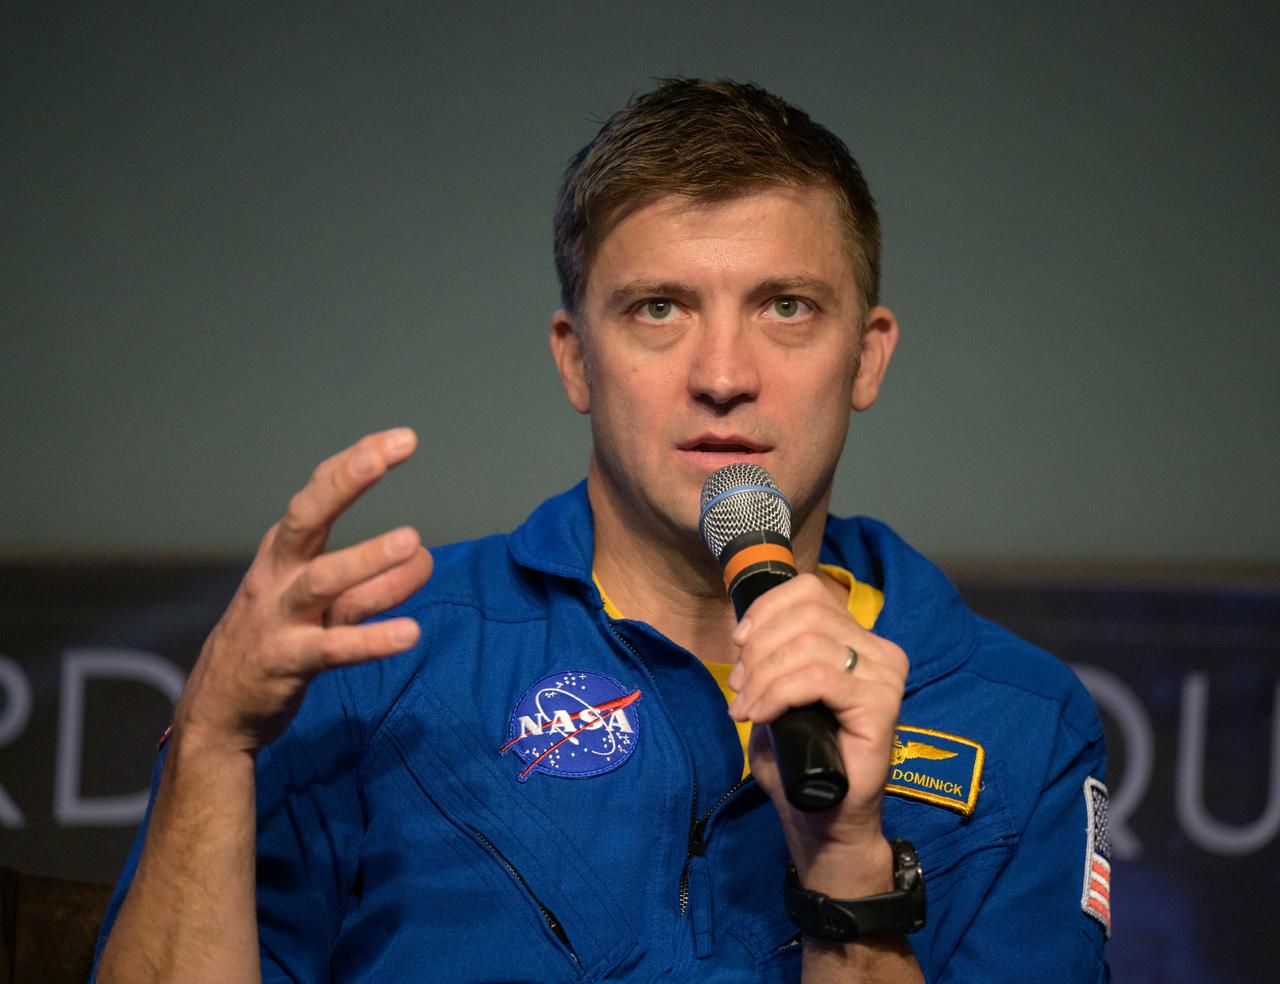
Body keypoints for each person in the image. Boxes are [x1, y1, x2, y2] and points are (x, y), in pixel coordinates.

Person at [93, 79, 1110, 982]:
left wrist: (845, 862)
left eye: (786, 308)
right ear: (575, 359)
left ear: (867, 357)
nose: (722, 374)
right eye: (658, 309)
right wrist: (215, 746)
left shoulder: (1022, 721)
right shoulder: (373, 661)